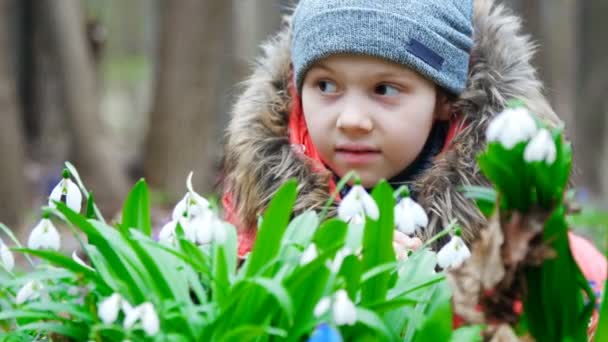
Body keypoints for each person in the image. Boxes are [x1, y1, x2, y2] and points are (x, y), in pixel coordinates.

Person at [221, 0, 605, 325]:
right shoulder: (249, 236)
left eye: (385, 89)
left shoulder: (545, 261)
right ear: (296, 87)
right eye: (325, 85)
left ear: (444, 99)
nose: (352, 119)